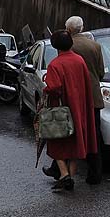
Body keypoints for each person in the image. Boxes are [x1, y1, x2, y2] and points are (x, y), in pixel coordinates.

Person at [44, 16, 105, 184]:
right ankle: (94, 174)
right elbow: (100, 72)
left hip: (69, 99)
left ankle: (63, 174)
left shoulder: (65, 51)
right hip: (90, 97)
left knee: (64, 135)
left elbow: (56, 83)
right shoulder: (95, 46)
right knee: (91, 135)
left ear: (68, 30)